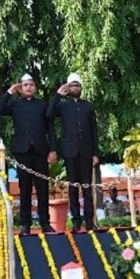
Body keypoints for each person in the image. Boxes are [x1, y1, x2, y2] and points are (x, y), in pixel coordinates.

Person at [0, 72, 58, 234]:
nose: (28, 87)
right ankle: (26, 223)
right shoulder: (15, 104)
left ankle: (45, 222)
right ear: (21, 88)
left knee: (42, 187)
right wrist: (10, 92)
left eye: (31, 84)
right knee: (25, 188)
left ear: (35, 88)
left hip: (40, 151)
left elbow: (50, 129)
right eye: (25, 85)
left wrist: (53, 150)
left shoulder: (42, 105)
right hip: (22, 151)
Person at [46, 72, 99, 231]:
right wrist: (57, 95)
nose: (75, 88)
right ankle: (76, 221)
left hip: (86, 152)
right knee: (73, 187)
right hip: (70, 152)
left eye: (77, 85)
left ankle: (89, 221)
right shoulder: (62, 105)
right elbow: (48, 114)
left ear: (81, 88)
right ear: (68, 88)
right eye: (72, 85)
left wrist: (95, 153)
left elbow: (94, 131)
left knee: (87, 187)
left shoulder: (88, 106)